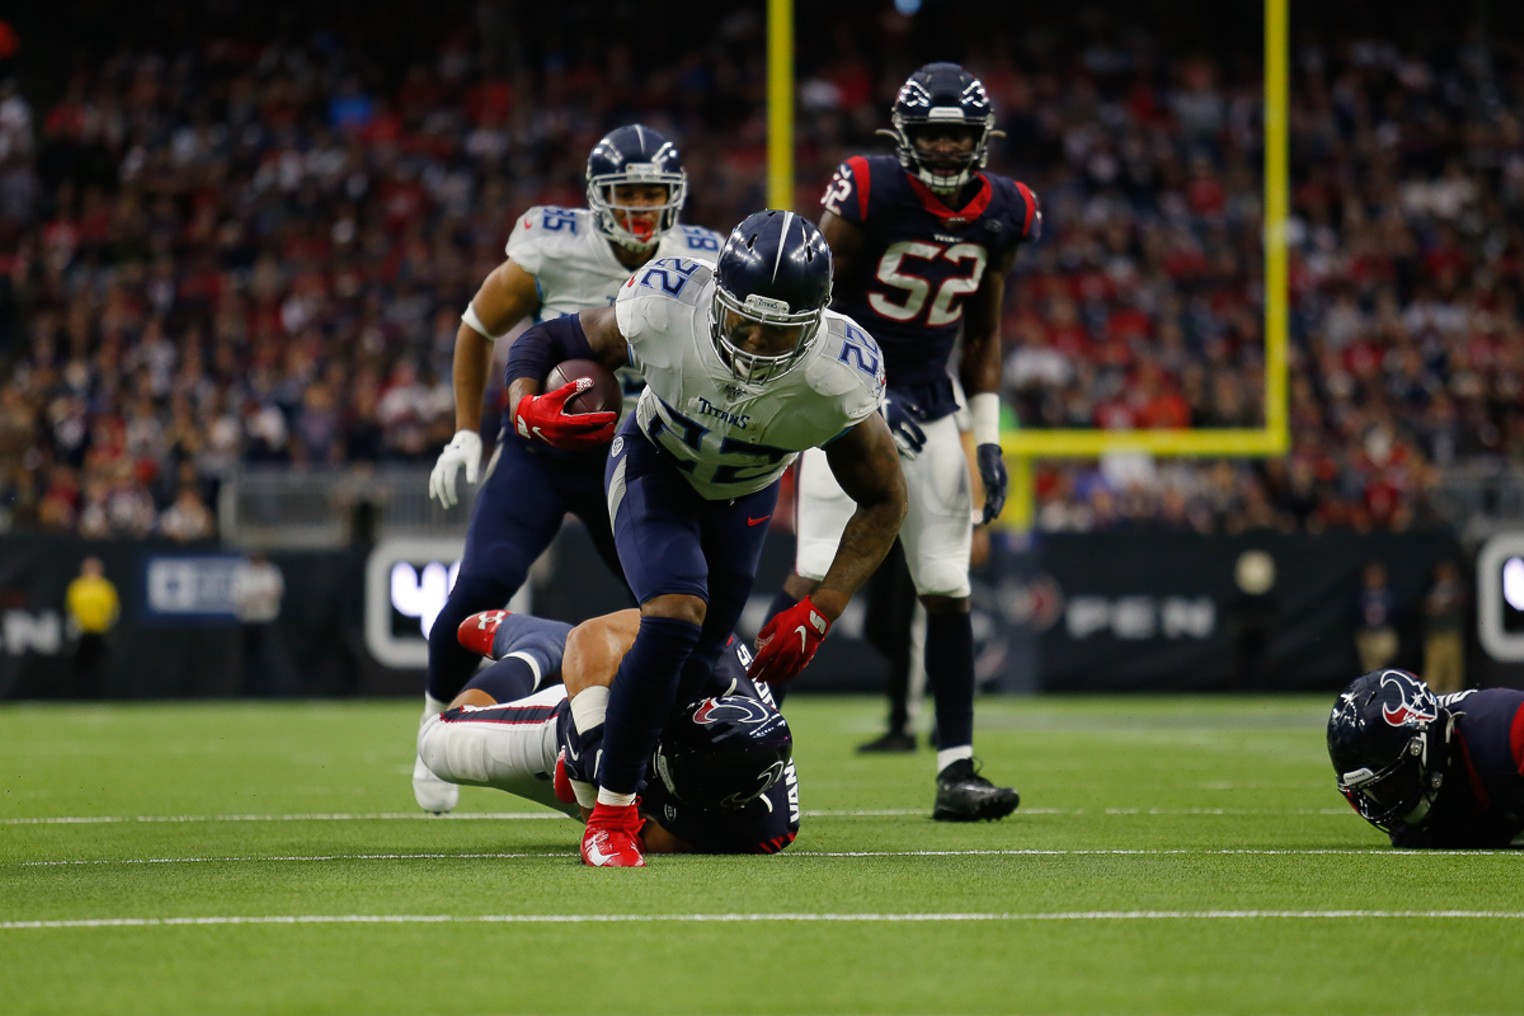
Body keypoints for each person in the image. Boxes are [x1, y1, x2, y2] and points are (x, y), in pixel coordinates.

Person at [503, 208, 906, 866]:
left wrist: (823, 607)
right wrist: (524, 401)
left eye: (776, 332)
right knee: (674, 613)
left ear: (812, 327)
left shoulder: (839, 376)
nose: (751, 341)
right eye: (742, 318)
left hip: (743, 498)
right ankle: (611, 815)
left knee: (699, 666)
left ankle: (589, 750)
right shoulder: (666, 306)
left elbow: (886, 497)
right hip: (654, 465)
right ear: (717, 295)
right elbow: (550, 339)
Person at [414, 125, 724, 814]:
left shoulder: (703, 261)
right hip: (542, 454)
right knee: (482, 584)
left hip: (639, 456)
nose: (642, 208)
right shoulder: (552, 246)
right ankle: (434, 717)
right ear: (595, 199)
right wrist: (467, 432)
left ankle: (686, 739)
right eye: (627, 193)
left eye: (654, 193)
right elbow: (476, 326)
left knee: (679, 609)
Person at [771, 62, 1037, 819]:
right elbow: (807, 299)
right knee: (816, 572)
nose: (949, 150)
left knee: (948, 587)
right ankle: (732, 729)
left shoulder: (1008, 211)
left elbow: (982, 332)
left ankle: (956, 768)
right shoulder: (869, 189)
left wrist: (986, 438)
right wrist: (849, 395)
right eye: (935, 136)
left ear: (982, 140)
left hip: (932, 400)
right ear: (905, 139)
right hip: (847, 399)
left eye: (960, 136)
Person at [417, 608, 799, 855]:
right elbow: (590, 637)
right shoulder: (711, 655)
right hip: (599, 720)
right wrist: (592, 746)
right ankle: (536, 650)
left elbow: (650, 837)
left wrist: (594, 801)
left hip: (617, 786)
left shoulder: (761, 826)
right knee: (436, 742)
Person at [1327, 668, 1524, 849]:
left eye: (1393, 783)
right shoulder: (1398, 816)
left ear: (1423, 745)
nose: (1387, 797)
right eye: (1377, 791)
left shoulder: (1504, 729)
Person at [229, 550, 285, 696]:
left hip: (266, 620)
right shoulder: (242, 572)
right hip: (248, 621)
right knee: (247, 659)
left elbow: (276, 592)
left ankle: (268, 691)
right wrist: (258, 596)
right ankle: (246, 691)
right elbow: (238, 596)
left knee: (267, 657)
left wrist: (256, 597)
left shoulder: (270, 571)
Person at [64, 556, 119, 697]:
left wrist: (108, 626)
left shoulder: (105, 587)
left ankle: (100, 696)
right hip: (82, 632)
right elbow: (71, 609)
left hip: (100, 631)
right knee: (81, 667)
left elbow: (113, 609)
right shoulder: (77, 586)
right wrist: (73, 628)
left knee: (101, 667)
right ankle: (80, 696)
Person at [1421, 560, 1466, 694]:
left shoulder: (1457, 589)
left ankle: (1454, 694)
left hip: (1452, 633)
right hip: (1436, 634)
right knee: (1434, 665)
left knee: (1453, 666)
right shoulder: (1434, 590)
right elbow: (1428, 607)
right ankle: (1429, 693)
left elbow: (1458, 604)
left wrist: (1445, 607)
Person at [1353, 560, 1399, 673]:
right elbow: (1354, 612)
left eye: (1378, 576)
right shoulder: (1362, 594)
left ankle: (1382, 676)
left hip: (1383, 631)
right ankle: (1373, 684)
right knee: (1369, 662)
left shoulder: (1389, 594)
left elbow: (1397, 611)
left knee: (1386, 653)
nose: (1375, 579)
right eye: (1371, 576)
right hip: (1367, 632)